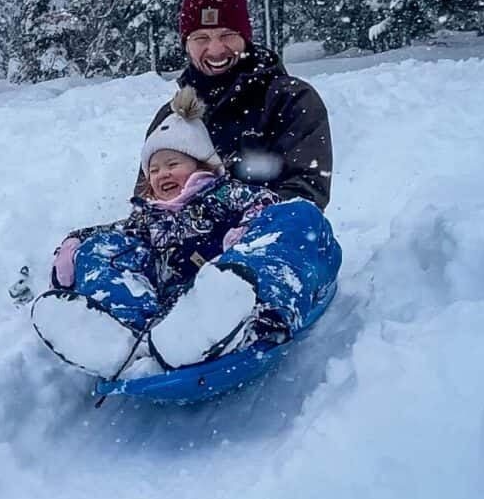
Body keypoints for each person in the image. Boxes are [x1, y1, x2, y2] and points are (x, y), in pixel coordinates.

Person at [30, 86, 341, 379]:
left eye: (172, 163)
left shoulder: (223, 194)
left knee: (295, 217)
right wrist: (78, 242)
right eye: (153, 169)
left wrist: (246, 231)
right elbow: (117, 232)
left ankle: (247, 321)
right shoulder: (149, 216)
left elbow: (265, 205)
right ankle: (121, 332)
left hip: (235, 293)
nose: (162, 173)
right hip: (175, 313)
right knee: (106, 247)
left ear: (200, 166)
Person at [137, 0, 333, 209]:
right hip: (189, 243)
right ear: (186, 45)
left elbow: (305, 196)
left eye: (227, 35)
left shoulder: (290, 100)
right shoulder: (172, 117)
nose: (216, 49)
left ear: (245, 38)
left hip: (270, 239)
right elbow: (148, 203)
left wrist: (233, 228)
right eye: (201, 38)